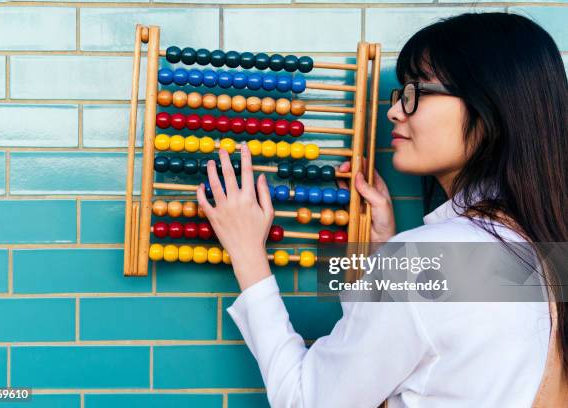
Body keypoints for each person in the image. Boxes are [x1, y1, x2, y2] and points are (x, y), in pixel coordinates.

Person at [195, 12, 568, 407]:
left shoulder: (428, 261)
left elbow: (305, 400)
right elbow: (436, 353)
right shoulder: (539, 249)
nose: (394, 112)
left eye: (415, 93)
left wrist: (248, 257)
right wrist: (379, 252)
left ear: (489, 106)